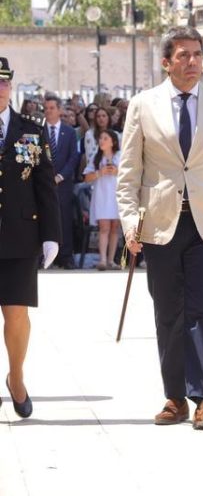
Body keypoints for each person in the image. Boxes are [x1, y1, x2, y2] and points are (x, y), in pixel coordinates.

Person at [117, 26, 203, 431]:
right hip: (159, 224)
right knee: (168, 309)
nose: (192, 62)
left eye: (198, 54)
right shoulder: (143, 105)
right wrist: (130, 223)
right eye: (184, 55)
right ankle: (175, 398)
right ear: (166, 62)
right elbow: (129, 172)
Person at [0, 59, 61, 419]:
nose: (0, 88)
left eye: (4, 82)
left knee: (17, 313)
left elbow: (44, 185)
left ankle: (16, 377)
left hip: (20, 234)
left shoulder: (30, 132)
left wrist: (51, 235)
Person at [43, 93, 80, 270]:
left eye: (52, 108)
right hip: (43, 184)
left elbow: (74, 158)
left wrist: (60, 176)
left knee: (64, 219)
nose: (48, 111)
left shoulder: (70, 132)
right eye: (46, 108)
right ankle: (43, 257)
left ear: (59, 110)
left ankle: (65, 256)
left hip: (63, 184)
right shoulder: (38, 130)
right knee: (44, 219)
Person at [83, 129, 122, 271]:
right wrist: (100, 173)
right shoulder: (96, 157)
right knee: (104, 226)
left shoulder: (120, 156)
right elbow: (87, 178)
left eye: (105, 138)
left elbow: (128, 173)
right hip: (101, 195)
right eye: (100, 138)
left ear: (113, 141)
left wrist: (117, 171)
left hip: (116, 194)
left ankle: (111, 260)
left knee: (114, 227)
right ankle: (103, 259)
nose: (101, 141)